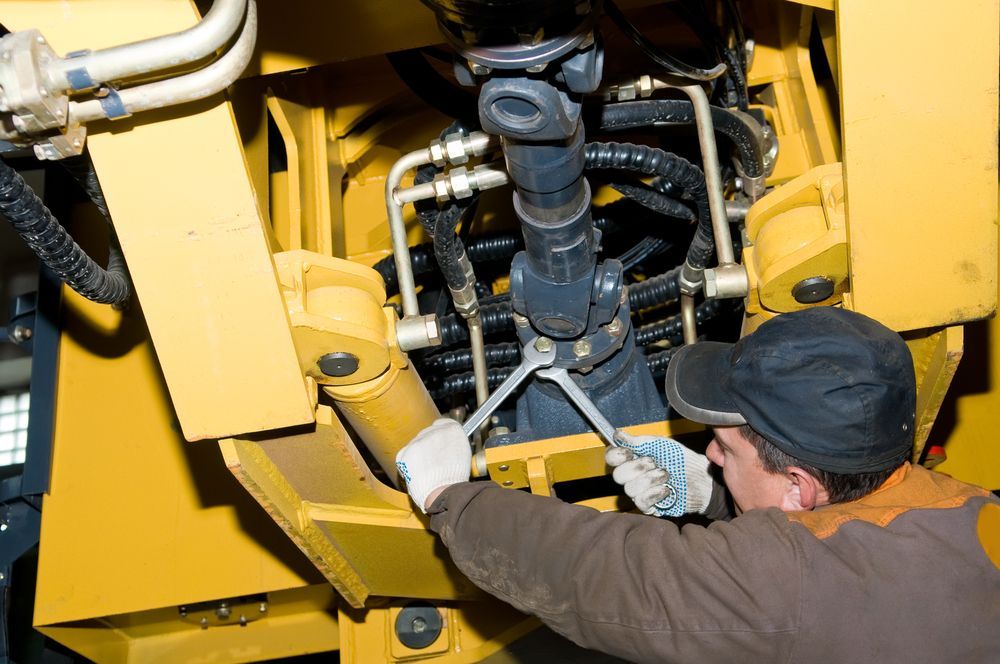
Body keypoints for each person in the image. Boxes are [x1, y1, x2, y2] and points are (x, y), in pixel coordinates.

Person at [395, 307, 1000, 663]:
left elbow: (609, 577)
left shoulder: (796, 587)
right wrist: (712, 497)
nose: (707, 450)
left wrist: (448, 498)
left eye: (725, 448)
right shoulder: (969, 505)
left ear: (798, 487)